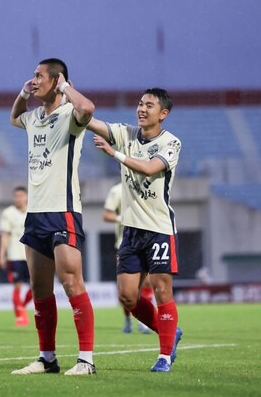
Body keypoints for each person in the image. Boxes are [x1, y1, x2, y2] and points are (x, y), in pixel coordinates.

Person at [9, 58, 96, 376]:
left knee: (72, 283)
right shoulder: (33, 117)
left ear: (57, 79)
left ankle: (86, 360)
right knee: (40, 289)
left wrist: (66, 88)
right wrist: (22, 93)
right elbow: (14, 117)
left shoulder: (71, 115)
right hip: (35, 215)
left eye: (38, 76)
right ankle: (47, 358)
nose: (33, 80)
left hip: (63, 211)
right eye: (32, 76)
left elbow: (88, 108)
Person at [88, 88, 183, 372]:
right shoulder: (127, 133)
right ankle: (170, 333)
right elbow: (92, 120)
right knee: (128, 297)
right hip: (130, 231)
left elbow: (150, 168)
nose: (141, 109)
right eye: (140, 103)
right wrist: (66, 94)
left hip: (158, 229)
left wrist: (113, 153)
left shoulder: (171, 143)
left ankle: (164, 356)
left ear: (163, 114)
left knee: (161, 291)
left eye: (149, 105)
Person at [103, 182, 154, 334]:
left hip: (146, 241)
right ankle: (127, 318)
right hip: (124, 244)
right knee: (127, 290)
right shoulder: (117, 190)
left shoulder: (148, 186)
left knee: (147, 283)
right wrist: (123, 218)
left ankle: (144, 322)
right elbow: (107, 215)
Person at [0, 186, 32, 326]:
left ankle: (22, 307)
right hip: (15, 255)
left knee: (36, 286)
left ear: (27, 196)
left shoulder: (33, 211)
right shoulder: (8, 213)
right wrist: (2, 254)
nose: (19, 198)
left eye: (21, 195)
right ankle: (20, 315)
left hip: (31, 255)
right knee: (17, 286)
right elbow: (5, 235)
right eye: (16, 196)